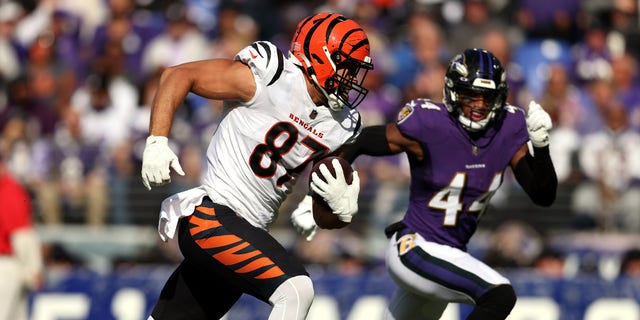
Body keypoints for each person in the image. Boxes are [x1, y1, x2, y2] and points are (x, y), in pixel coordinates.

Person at [292, 48, 558, 319]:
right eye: (470, 96)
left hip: (448, 256)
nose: (478, 106)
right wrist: (318, 197)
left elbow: (543, 194)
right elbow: (357, 141)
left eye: (487, 98)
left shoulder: (507, 127)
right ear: (453, 93)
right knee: (498, 293)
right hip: (414, 246)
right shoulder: (430, 124)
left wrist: (542, 147)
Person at [140, 12, 372, 320]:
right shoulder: (273, 75)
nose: (353, 78)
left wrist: (340, 211)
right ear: (321, 55)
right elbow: (178, 75)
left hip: (244, 234)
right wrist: (157, 140)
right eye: (349, 66)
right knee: (296, 289)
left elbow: (322, 215)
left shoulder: (342, 124)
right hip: (211, 216)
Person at [0, 148, 44, 320]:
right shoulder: (9, 189)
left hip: (7, 265)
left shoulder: (8, 190)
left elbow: (22, 235)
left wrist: (32, 267)